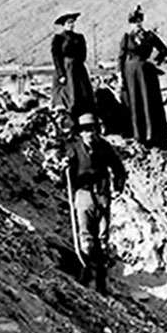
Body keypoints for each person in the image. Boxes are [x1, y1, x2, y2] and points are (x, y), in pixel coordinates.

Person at [64, 113, 126, 294]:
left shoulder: (104, 147)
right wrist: (65, 167)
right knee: (86, 241)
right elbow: (66, 174)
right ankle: (86, 278)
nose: (89, 133)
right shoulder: (73, 148)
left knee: (103, 241)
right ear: (80, 133)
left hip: (102, 195)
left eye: (92, 129)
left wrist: (118, 185)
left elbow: (118, 167)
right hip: (83, 196)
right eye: (85, 130)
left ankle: (101, 282)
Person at [118, 5, 167, 148]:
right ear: (131, 23)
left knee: (148, 100)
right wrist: (120, 76)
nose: (138, 24)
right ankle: (138, 135)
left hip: (146, 72)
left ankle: (152, 134)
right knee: (134, 101)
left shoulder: (149, 36)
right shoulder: (127, 37)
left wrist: (154, 62)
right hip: (130, 72)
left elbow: (164, 51)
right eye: (135, 21)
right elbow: (121, 57)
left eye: (140, 21)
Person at [51, 12, 96, 129]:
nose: (71, 25)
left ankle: (84, 120)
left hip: (78, 69)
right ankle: (68, 120)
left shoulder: (79, 37)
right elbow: (56, 57)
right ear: (64, 24)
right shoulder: (58, 38)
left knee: (82, 93)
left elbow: (83, 54)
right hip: (66, 69)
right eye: (69, 23)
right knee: (69, 93)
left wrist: (77, 63)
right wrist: (61, 74)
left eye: (72, 22)